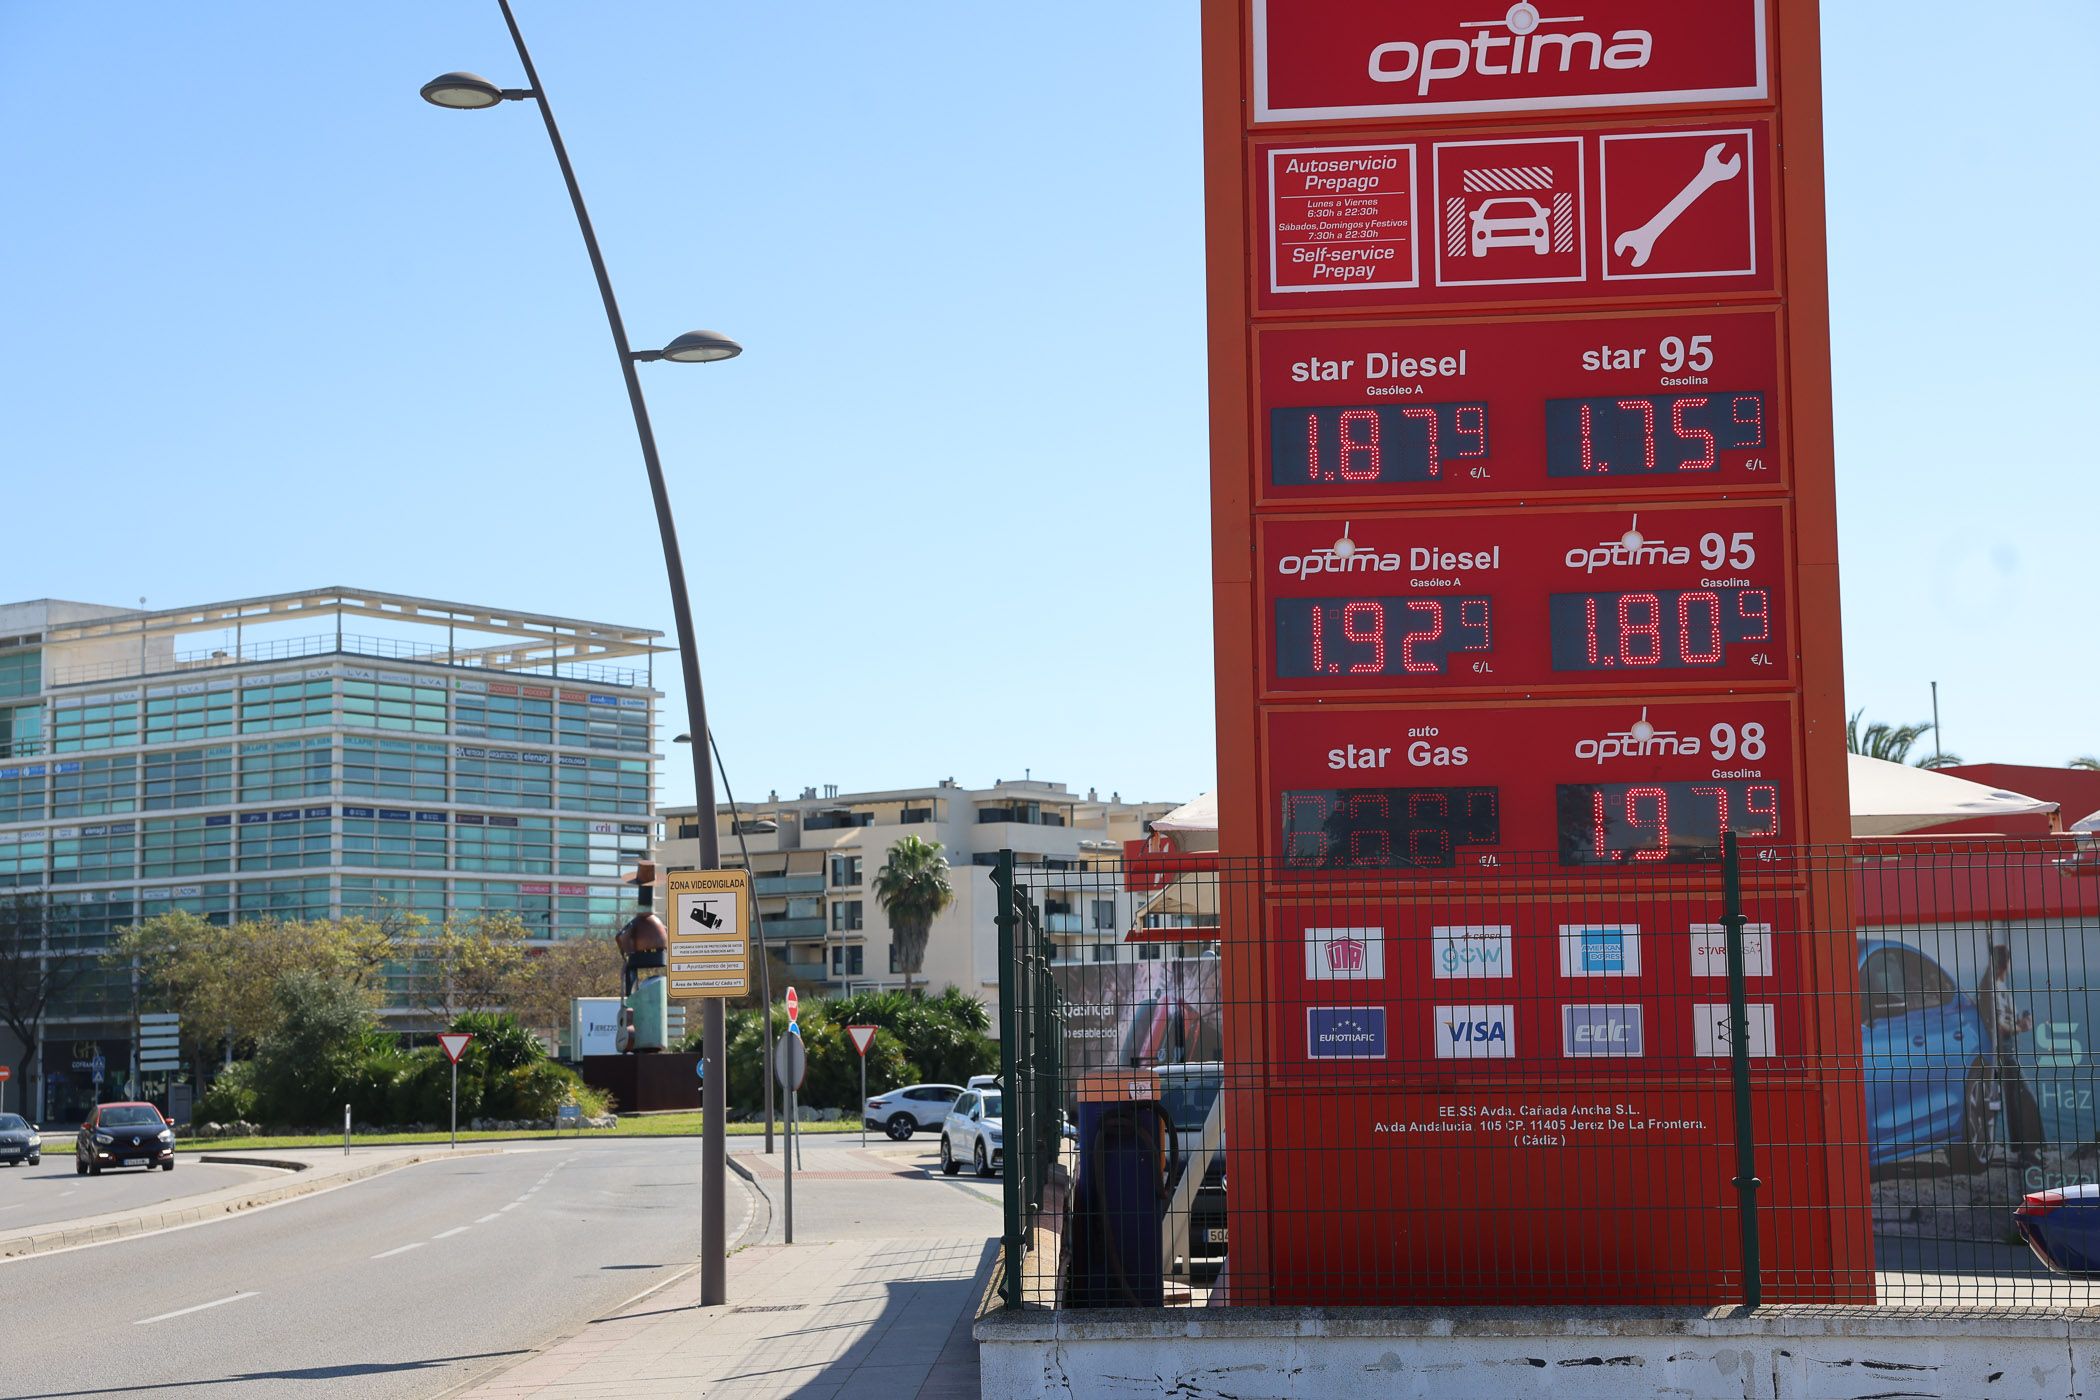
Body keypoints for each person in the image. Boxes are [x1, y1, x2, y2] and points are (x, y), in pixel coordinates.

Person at [1977, 944, 2046, 1170]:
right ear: (2004, 963)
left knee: (2008, 1102)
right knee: (2023, 1097)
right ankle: (2027, 1151)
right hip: (2002, 1052)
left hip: (2004, 1051)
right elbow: (1999, 1027)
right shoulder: (1992, 988)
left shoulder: (1997, 985)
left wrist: (2020, 1020)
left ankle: (2021, 1151)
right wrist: (2023, 1027)